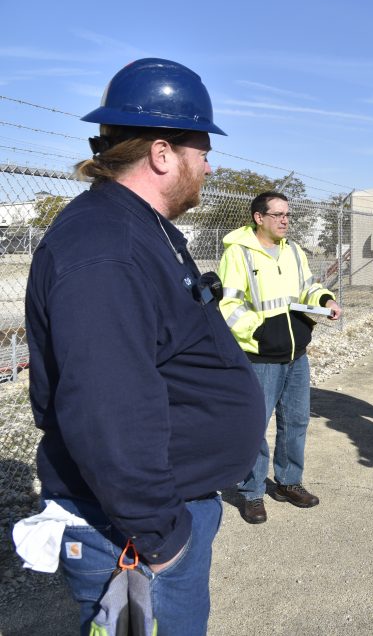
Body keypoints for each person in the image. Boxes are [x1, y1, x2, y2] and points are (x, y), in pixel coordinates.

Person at [23, 58, 265, 634]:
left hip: (161, 510)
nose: (210, 165)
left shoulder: (140, 227)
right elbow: (108, 408)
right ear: (162, 153)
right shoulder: (107, 249)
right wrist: (161, 537)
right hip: (133, 533)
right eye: (202, 151)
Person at [217, 191, 341, 524]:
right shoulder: (239, 254)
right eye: (278, 215)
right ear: (259, 217)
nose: (285, 220)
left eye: (288, 215)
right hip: (260, 357)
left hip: (296, 355)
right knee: (255, 426)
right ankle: (252, 493)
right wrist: (259, 334)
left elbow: (308, 288)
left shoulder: (293, 251)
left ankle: (288, 482)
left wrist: (325, 300)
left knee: (296, 421)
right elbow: (228, 306)